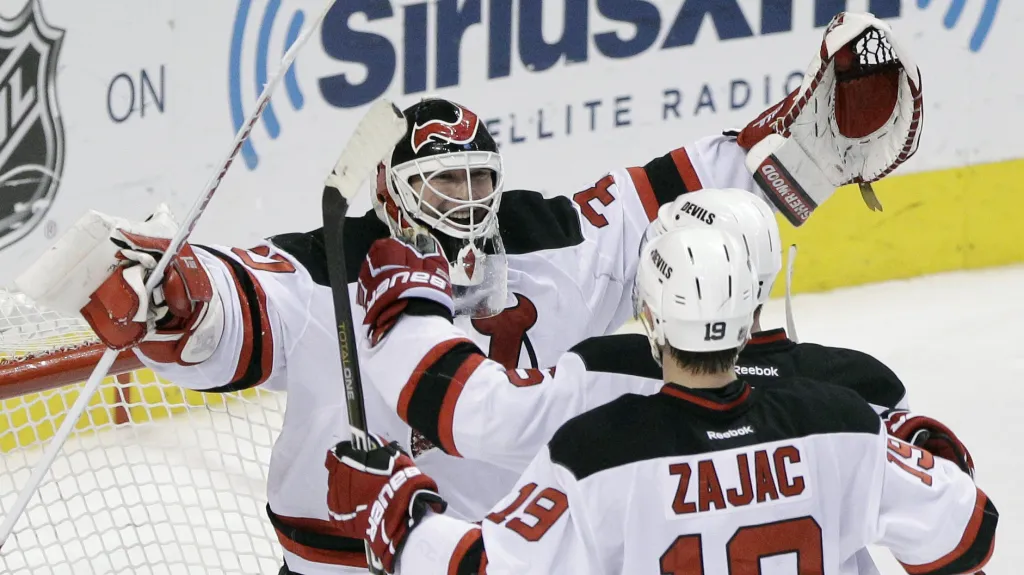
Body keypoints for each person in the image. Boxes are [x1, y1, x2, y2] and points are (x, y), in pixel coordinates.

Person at [17, 12, 923, 574]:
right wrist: (176, 294)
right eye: (442, 188)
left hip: (495, 560)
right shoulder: (325, 269)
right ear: (392, 197)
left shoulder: (545, 240)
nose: (467, 208)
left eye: (479, 184)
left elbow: (659, 203)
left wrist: (792, 159)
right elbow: (239, 302)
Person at [326, 226, 997, 575]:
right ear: (748, 314)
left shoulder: (593, 454)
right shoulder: (846, 425)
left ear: (648, 315)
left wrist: (402, 507)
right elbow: (969, 535)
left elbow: (480, 570)